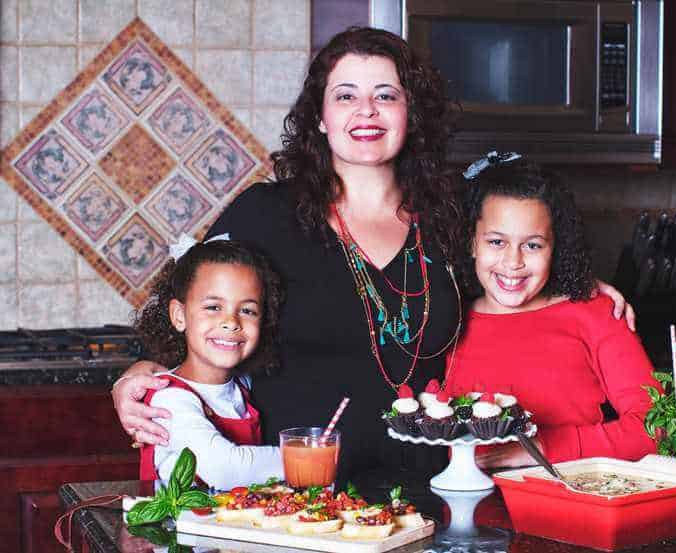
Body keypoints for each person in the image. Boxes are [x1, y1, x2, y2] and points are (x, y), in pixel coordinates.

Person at [112, 27, 634, 485]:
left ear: (412, 114)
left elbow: (510, 269)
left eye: (386, 95)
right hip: (298, 494)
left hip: (437, 490)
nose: (366, 111)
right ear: (318, 116)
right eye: (345, 96)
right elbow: (187, 310)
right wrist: (137, 370)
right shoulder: (264, 214)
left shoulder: (450, 216)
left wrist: (579, 289)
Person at [446, 152, 659, 468]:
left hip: (570, 507)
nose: (513, 262)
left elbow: (657, 426)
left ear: (555, 247)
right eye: (496, 242)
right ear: (471, 243)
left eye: (532, 245)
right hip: (456, 511)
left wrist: (542, 448)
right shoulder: (445, 318)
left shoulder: (597, 313)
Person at [133, 235, 283, 489]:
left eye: (247, 310)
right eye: (214, 307)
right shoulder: (169, 398)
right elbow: (225, 469)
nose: (231, 322)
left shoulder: (242, 387)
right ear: (179, 316)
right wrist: (308, 457)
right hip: (172, 528)